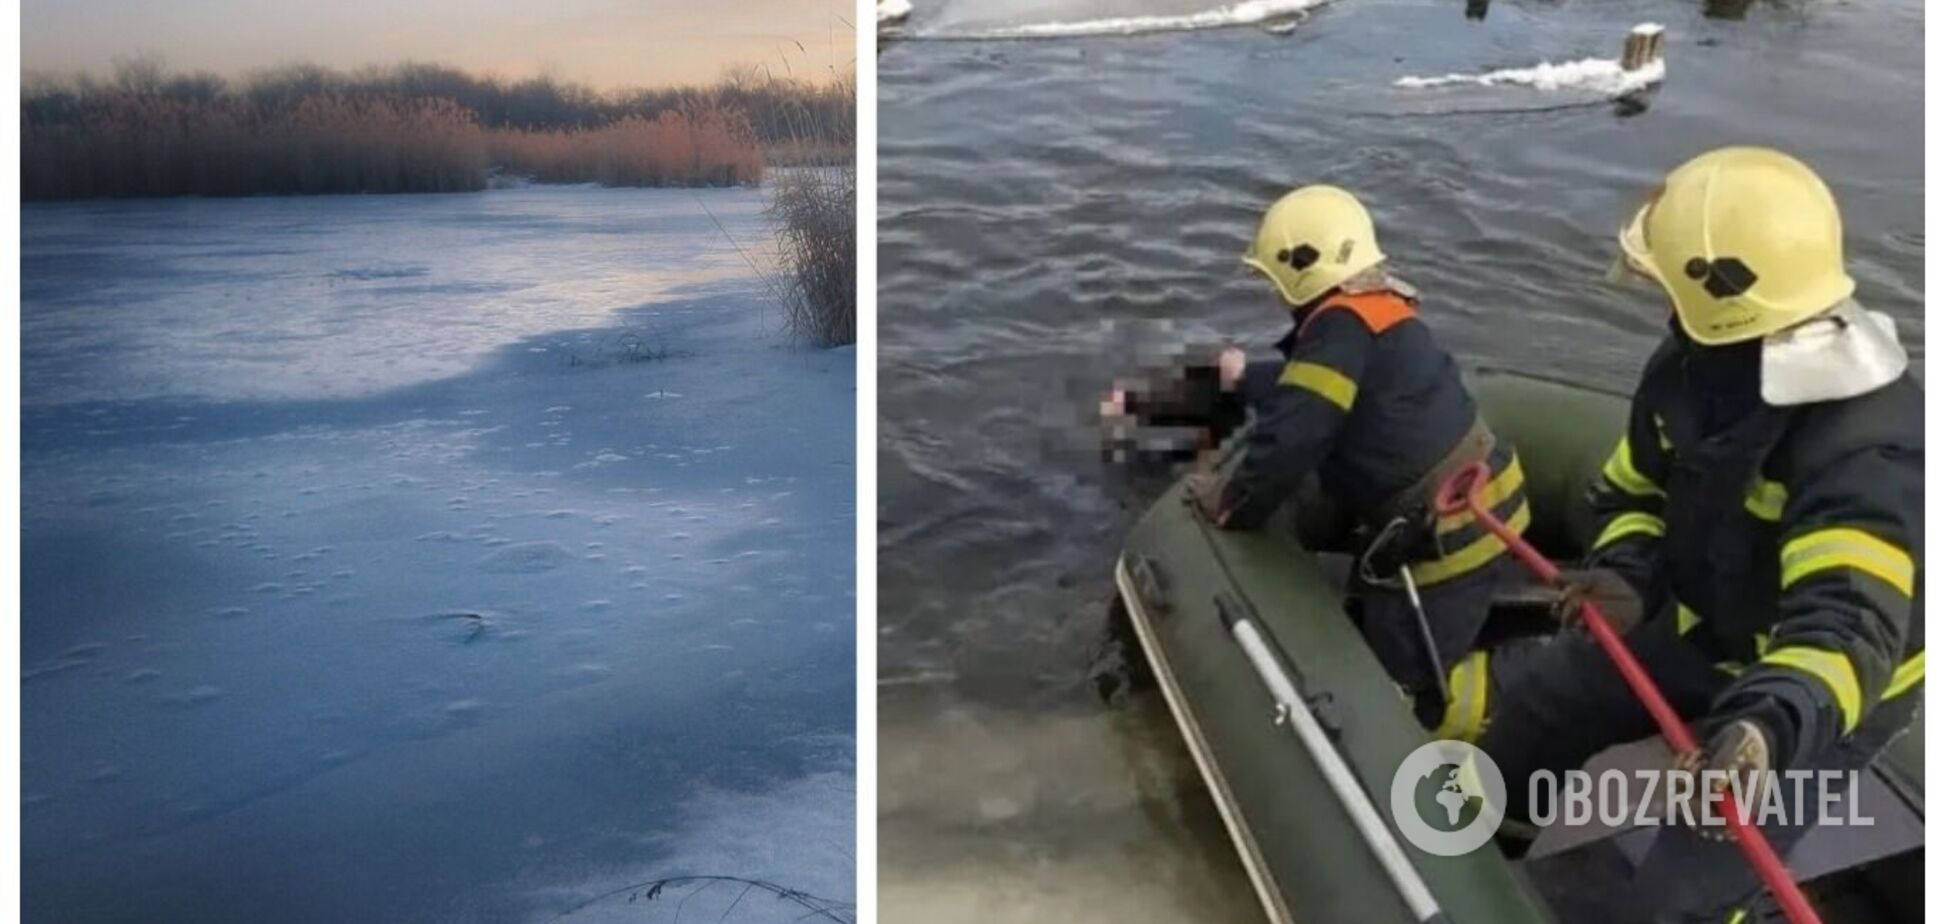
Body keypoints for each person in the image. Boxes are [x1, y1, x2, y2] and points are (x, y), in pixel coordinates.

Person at [1478, 147, 1924, 922]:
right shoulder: (1689, 372)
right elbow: (1632, 488)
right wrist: (1626, 569)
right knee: (1537, 711)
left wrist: (1764, 728)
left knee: (1679, 900)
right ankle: (1478, 873)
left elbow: (1846, 629)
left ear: (1712, 295)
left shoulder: (1865, 451)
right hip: (1705, 626)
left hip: (1812, 699)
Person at [1182, 184, 1534, 739]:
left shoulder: (1338, 331)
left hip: (1443, 543)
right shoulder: (1378, 313)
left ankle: (1526, 681)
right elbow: (1319, 389)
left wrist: (1229, 504)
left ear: (1294, 275)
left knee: (1397, 692)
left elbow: (1292, 440)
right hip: (1485, 502)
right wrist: (1244, 379)